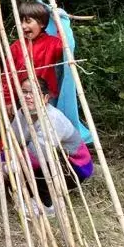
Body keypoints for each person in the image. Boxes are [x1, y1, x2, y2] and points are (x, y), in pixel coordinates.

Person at [9, 77, 93, 214]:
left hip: (74, 167)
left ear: (45, 98)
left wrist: (11, 166)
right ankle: (36, 191)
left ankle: (48, 205)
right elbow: (12, 141)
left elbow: (38, 154)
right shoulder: (22, 113)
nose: (28, 96)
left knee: (41, 162)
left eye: (34, 92)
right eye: (24, 92)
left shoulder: (52, 118)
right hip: (46, 158)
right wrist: (5, 159)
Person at [2, 1, 63, 112]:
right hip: (23, 98)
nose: (23, 26)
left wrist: (59, 22)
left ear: (42, 24)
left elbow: (66, 45)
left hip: (46, 98)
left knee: (47, 127)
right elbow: (7, 75)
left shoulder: (52, 43)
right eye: (21, 22)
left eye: (28, 21)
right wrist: (8, 100)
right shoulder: (16, 46)